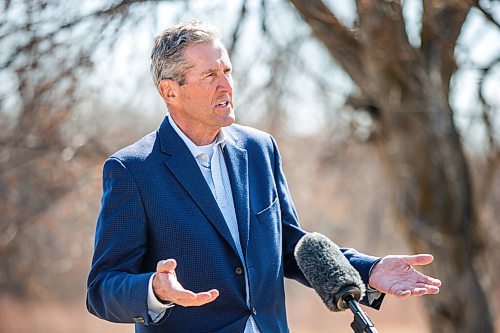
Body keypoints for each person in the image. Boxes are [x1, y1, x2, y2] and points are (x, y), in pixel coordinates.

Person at [86, 20, 441, 333]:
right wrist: (154, 290)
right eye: (209, 75)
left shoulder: (259, 148)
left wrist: (369, 270)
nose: (225, 85)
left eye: (226, 71)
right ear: (170, 91)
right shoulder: (132, 170)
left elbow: (289, 245)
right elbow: (102, 289)